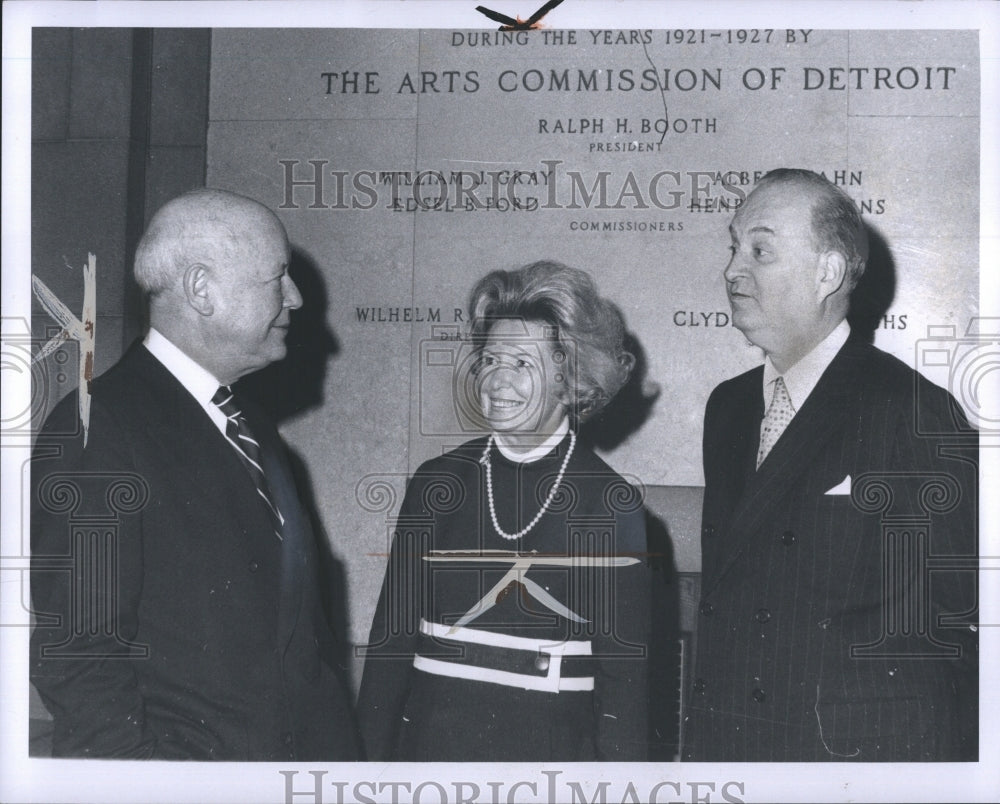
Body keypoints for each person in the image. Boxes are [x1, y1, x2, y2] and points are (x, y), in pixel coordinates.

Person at [30, 188, 361, 760]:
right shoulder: (99, 427)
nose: (297, 297)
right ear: (201, 289)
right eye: (276, 278)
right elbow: (80, 659)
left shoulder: (251, 427)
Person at [685, 169, 978, 761]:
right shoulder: (730, 406)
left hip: (846, 757)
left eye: (760, 250)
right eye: (734, 246)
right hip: (734, 745)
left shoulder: (912, 411)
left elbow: (959, 618)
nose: (732, 270)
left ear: (828, 273)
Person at [357, 261, 650, 761]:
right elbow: (389, 652)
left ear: (571, 379)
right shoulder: (437, 482)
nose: (497, 381)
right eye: (490, 360)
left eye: (521, 364)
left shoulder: (608, 502)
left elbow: (623, 690)